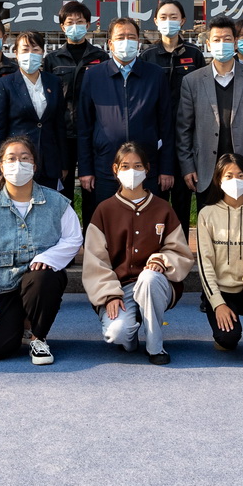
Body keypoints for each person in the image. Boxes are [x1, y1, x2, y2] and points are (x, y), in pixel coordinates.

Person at [0, 136, 83, 365]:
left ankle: (38, 337)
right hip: (4, 288)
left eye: (24, 158)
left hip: (38, 284)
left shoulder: (57, 203)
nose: (18, 164)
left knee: (43, 276)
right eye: (11, 159)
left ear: (34, 166)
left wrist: (47, 257)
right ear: (1, 166)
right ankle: (19, 323)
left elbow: (74, 238)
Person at [82, 141, 195, 365]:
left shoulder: (163, 208)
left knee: (148, 278)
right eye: (125, 166)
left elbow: (181, 252)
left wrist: (161, 260)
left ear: (147, 169)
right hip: (119, 287)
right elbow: (96, 261)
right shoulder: (104, 210)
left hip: (156, 283)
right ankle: (131, 330)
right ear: (115, 169)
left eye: (137, 166)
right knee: (117, 334)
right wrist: (110, 294)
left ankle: (155, 347)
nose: (131, 172)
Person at [76, 17, 176, 229]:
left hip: (146, 167)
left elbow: (166, 126)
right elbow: (84, 127)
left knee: (148, 226)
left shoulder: (155, 75)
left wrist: (166, 168)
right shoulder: (93, 76)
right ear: (110, 43)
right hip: (105, 167)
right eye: (120, 37)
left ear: (138, 42)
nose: (126, 41)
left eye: (131, 37)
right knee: (105, 226)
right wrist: (85, 169)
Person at [177, 16, 243, 229]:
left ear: (235, 42)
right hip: (206, 168)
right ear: (208, 44)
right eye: (217, 39)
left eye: (227, 39)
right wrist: (187, 166)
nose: (222, 44)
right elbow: (184, 129)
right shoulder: (192, 81)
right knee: (210, 227)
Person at [195, 152, 243, 365]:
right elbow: (205, 265)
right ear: (218, 180)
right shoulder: (206, 214)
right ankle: (224, 332)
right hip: (221, 292)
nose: (235, 181)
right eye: (229, 176)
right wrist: (218, 304)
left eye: (241, 175)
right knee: (228, 339)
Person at [42, 0, 108, 209]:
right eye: (69, 22)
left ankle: (92, 229)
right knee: (62, 190)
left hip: (93, 132)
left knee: (93, 188)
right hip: (63, 134)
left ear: (88, 25)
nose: (75, 26)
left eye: (79, 22)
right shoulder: (53, 59)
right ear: (62, 27)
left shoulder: (100, 57)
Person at [145, 0, 205, 229]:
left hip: (186, 136)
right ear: (155, 21)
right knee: (155, 202)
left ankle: (181, 246)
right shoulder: (148, 56)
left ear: (182, 21)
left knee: (182, 200)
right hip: (156, 137)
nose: (168, 21)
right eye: (163, 17)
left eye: (173, 17)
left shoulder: (194, 54)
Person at [0, 31, 67, 189]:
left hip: (49, 162)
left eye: (35, 49)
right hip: (17, 162)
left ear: (42, 52)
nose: (30, 54)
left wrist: (63, 163)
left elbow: (59, 124)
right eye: (25, 49)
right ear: (16, 53)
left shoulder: (53, 82)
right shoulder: (5, 84)